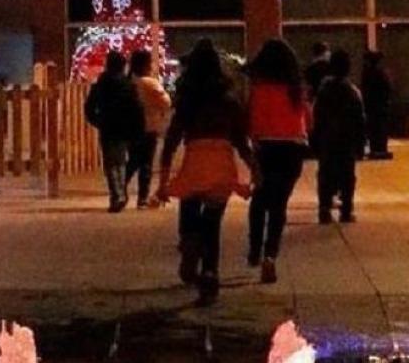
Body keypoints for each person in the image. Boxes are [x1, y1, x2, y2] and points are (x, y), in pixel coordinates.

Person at [156, 40, 256, 307]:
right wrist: (255, 170)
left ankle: (189, 244)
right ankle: (210, 273)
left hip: (196, 159)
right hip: (222, 161)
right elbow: (241, 141)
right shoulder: (229, 100)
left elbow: (172, 140)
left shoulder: (188, 100)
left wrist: (163, 180)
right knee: (212, 223)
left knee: (189, 207)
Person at [243, 38, 310, 285]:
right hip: (293, 148)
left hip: (267, 147)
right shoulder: (296, 89)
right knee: (279, 203)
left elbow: (253, 124)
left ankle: (254, 250)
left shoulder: (260, 90)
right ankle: (271, 255)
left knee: (260, 200)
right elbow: (307, 120)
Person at [83, 50, 144, 212]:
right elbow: (136, 107)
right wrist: (137, 127)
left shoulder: (100, 85)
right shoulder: (128, 85)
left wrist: (97, 121)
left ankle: (116, 194)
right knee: (121, 161)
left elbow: (89, 107)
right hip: (124, 127)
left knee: (110, 163)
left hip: (108, 127)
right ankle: (120, 193)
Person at [311, 50, 365, 224]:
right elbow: (359, 119)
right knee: (347, 175)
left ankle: (324, 209)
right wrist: (360, 143)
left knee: (326, 174)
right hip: (346, 140)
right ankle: (346, 210)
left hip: (327, 139)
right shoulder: (352, 91)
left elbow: (316, 116)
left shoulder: (323, 90)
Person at [128, 49, 171, 210]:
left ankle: (119, 188)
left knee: (133, 161)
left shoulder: (130, 82)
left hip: (132, 127)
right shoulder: (150, 83)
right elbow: (166, 102)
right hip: (149, 126)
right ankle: (142, 198)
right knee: (146, 164)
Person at [361, 50, 394, 160]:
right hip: (381, 105)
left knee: (373, 128)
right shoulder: (382, 73)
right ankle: (381, 149)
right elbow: (388, 88)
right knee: (381, 128)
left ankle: (375, 149)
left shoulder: (366, 73)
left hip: (370, 105)